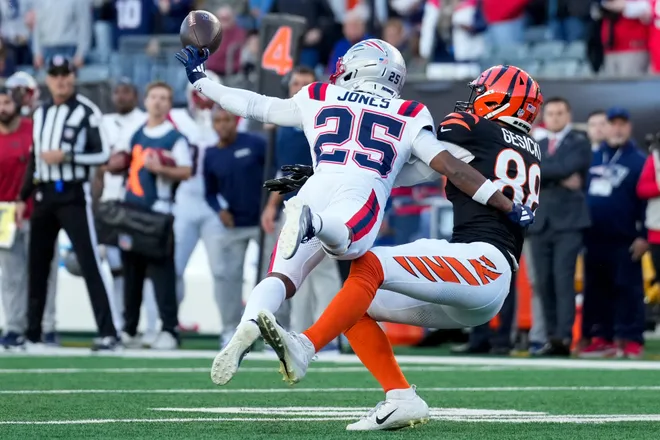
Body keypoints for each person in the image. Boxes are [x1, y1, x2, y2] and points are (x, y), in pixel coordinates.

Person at [175, 41, 533, 386]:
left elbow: (259, 106)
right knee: (351, 270)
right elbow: (433, 166)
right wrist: (507, 202)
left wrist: (203, 81)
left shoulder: (319, 94)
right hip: (362, 194)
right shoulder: (409, 111)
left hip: (320, 187)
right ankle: (315, 228)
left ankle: (250, 322)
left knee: (286, 276)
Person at [256, 64, 543, 430]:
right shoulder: (526, 147)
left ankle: (305, 346)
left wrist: (326, 173)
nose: (471, 101)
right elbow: (403, 171)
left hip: (482, 263)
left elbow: (398, 167)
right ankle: (401, 397)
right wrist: (318, 174)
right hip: (480, 281)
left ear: (501, 100)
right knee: (353, 307)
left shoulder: (472, 128)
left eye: (480, 92)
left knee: (369, 264)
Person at [16, 56, 117, 350]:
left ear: (73, 77)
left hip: (72, 195)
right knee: (37, 265)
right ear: (47, 79)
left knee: (88, 263)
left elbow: (102, 155)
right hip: (43, 195)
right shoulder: (41, 113)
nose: (61, 80)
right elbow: (35, 159)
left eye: (65, 74)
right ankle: (33, 333)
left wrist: (68, 156)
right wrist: (22, 197)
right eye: (55, 74)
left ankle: (109, 332)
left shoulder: (87, 112)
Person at [105, 81, 192, 350]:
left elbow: (187, 170)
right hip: (132, 209)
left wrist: (162, 170)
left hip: (158, 212)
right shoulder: (136, 133)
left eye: (164, 98)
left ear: (169, 104)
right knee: (131, 272)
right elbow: (124, 165)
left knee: (161, 273)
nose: (157, 102)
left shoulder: (174, 137)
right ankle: (130, 328)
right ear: (146, 100)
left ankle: (168, 329)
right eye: (154, 97)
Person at [260, 66, 343, 336]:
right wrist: (272, 206)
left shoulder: (322, 121)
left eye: (305, 84)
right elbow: (284, 171)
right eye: (295, 83)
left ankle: (328, 333)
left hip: (319, 204)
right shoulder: (287, 126)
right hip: (295, 205)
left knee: (323, 269)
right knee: (298, 272)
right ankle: (303, 332)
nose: (299, 88)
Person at [580, 107, 647, 359]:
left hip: (626, 237)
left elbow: (645, 202)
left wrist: (643, 235)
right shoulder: (592, 158)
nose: (617, 129)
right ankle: (602, 337)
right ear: (605, 127)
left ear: (629, 128)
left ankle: (630, 338)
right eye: (613, 124)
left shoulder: (639, 160)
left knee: (628, 289)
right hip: (594, 235)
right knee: (596, 289)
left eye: (622, 124)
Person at [527, 97, 592, 357]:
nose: (554, 117)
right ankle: (551, 337)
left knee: (563, 281)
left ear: (568, 115)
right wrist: (558, 175)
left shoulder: (580, 142)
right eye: (550, 113)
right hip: (540, 223)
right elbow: (530, 170)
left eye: (559, 113)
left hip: (569, 223)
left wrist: (544, 171)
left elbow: (568, 166)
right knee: (543, 283)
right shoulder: (537, 144)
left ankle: (563, 337)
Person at [204, 107, 267, 346]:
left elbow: (273, 170)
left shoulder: (255, 143)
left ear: (236, 121)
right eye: (217, 120)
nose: (222, 125)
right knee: (228, 277)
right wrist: (219, 210)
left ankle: (272, 328)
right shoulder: (211, 154)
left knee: (269, 278)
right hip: (233, 224)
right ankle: (230, 327)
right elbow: (209, 192)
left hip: (263, 222)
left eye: (226, 120)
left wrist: (270, 206)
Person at [0, 87, 58, 349]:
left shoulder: (34, 129)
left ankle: (46, 327)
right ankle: (14, 326)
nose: (3, 108)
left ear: (17, 103)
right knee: (12, 276)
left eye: (6, 102)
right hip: (4, 215)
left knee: (44, 273)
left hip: (39, 212)